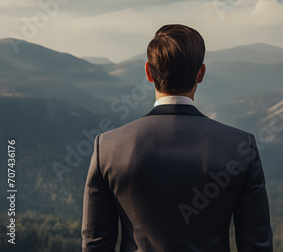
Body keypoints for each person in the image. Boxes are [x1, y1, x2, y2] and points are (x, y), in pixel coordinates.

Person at [81, 24, 273, 251]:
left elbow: (96, 244)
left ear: (149, 73)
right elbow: (256, 246)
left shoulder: (109, 147)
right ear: (200, 73)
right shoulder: (241, 147)